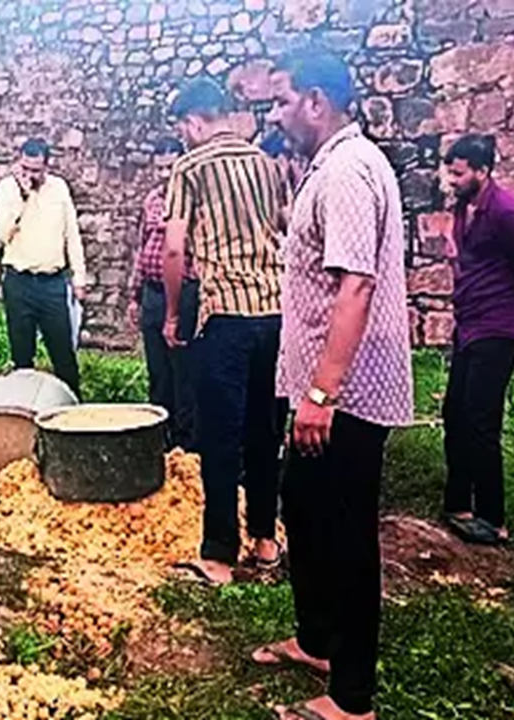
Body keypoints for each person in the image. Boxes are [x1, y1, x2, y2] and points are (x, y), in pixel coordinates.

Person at [261, 50, 413, 720]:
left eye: (279, 101)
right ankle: (318, 639)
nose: (272, 114)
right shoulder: (331, 166)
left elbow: (356, 286)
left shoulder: (349, 170)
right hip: (324, 386)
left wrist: (322, 394)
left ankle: (352, 699)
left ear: (315, 101)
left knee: (346, 533)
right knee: (304, 506)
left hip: (346, 390)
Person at [162, 78, 287, 586]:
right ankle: (264, 540)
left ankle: (217, 554)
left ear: (194, 121)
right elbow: (285, 226)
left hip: (226, 315)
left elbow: (173, 249)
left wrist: (173, 314)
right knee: (265, 430)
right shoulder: (265, 163)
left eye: (181, 129)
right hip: (275, 314)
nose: (182, 138)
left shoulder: (189, 167)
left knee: (220, 435)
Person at [440, 134, 514, 546]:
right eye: (449, 170)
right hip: (470, 322)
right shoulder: (465, 208)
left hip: (498, 325)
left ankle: (493, 518)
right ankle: (458, 502)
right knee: (454, 411)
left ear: (483, 172)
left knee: (481, 419)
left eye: (459, 173)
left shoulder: (506, 213)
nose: (451, 179)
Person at [0, 137, 87, 397]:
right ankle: (24, 418)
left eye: (36, 170)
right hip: (19, 282)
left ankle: (74, 417)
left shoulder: (59, 188)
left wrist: (79, 277)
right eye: (25, 168)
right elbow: (1, 233)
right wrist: (22, 198)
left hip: (52, 284)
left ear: (47, 166)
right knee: (22, 358)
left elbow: (72, 234)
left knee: (64, 356)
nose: (30, 175)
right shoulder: (7, 189)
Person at [128, 136, 199, 451]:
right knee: (158, 373)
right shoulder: (152, 200)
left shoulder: (195, 202)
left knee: (184, 372)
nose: (164, 175)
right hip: (153, 295)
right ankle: (159, 438)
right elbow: (141, 247)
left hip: (183, 294)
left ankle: (185, 446)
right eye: (160, 168)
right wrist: (135, 294)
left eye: (170, 168)